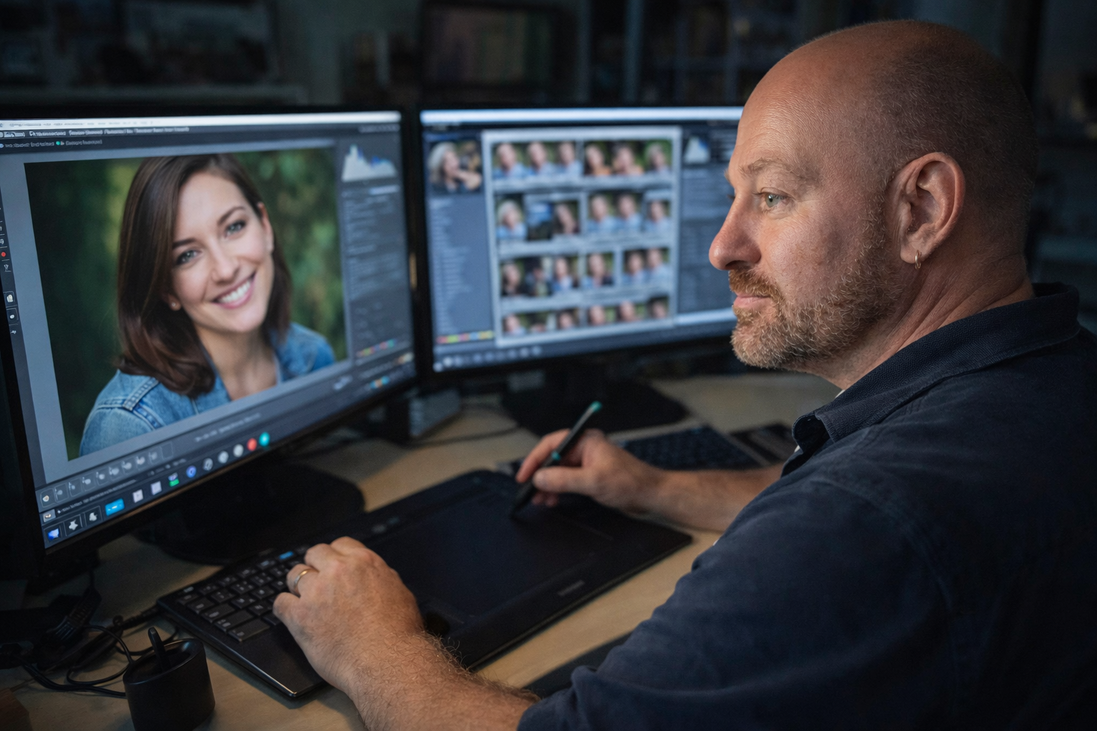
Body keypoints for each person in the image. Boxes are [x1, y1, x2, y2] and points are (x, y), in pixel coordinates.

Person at [272, 21, 1097, 730]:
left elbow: (863, 529)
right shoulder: (1050, 380)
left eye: (771, 197)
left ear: (919, 208)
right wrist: (653, 488)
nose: (722, 247)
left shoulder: (859, 525)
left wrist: (375, 644)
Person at [81, 154, 334, 456]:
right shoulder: (129, 427)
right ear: (165, 289)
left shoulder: (315, 358)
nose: (225, 270)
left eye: (234, 227)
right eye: (187, 255)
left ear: (265, 228)